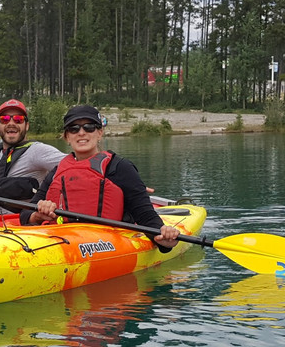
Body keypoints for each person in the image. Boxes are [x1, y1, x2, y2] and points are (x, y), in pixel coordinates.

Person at [21, 104, 180, 250]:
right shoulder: (57, 172)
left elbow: (146, 216)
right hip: (64, 241)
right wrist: (38, 214)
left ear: (100, 133)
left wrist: (164, 240)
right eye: (74, 129)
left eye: (89, 127)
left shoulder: (120, 168)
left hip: (109, 245)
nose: (81, 132)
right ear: (67, 137)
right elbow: (25, 215)